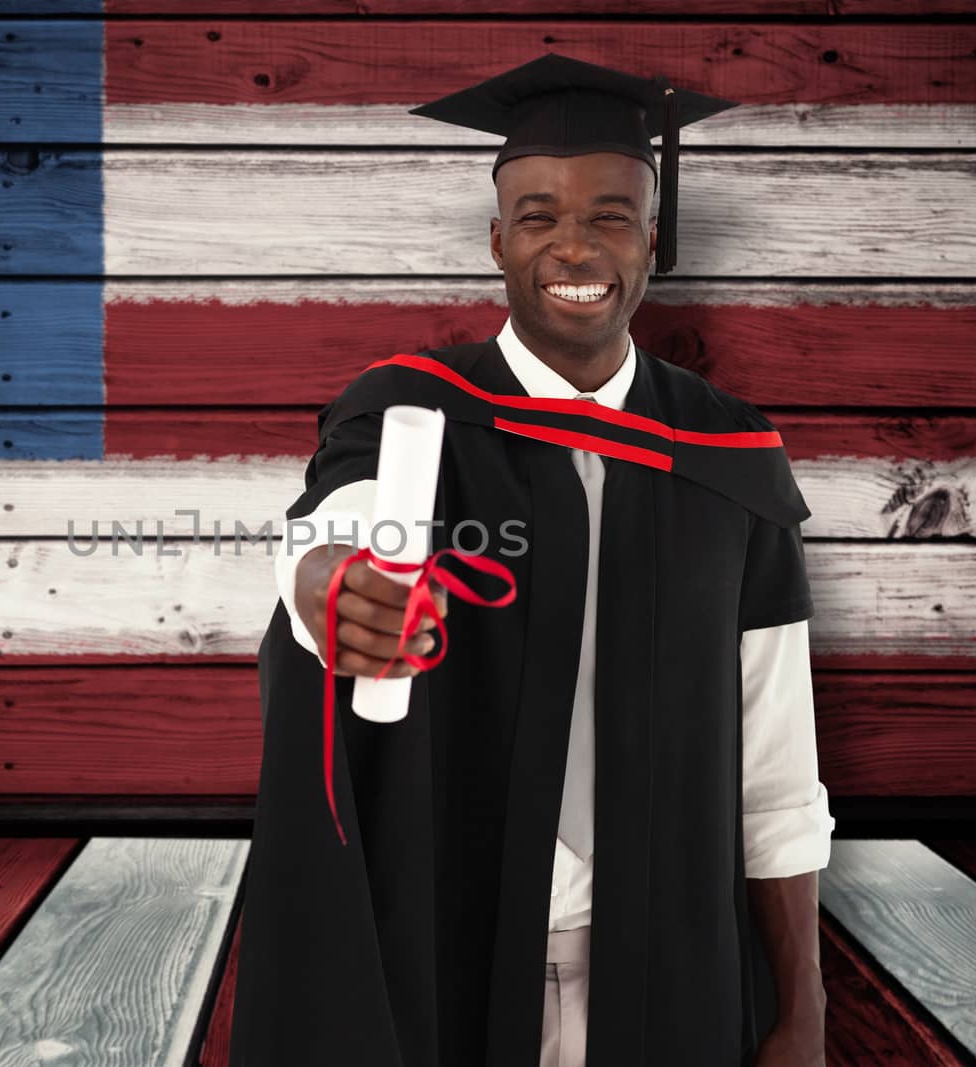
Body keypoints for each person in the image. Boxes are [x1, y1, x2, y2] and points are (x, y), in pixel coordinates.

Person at [228, 53, 835, 1067]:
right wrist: (328, 582)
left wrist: (800, 1006)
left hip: (670, 958)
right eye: (539, 212)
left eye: (608, 213)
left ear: (653, 235)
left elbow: (774, 759)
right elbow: (338, 514)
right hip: (447, 946)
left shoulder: (730, 455)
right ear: (498, 239)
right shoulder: (408, 408)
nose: (573, 242)